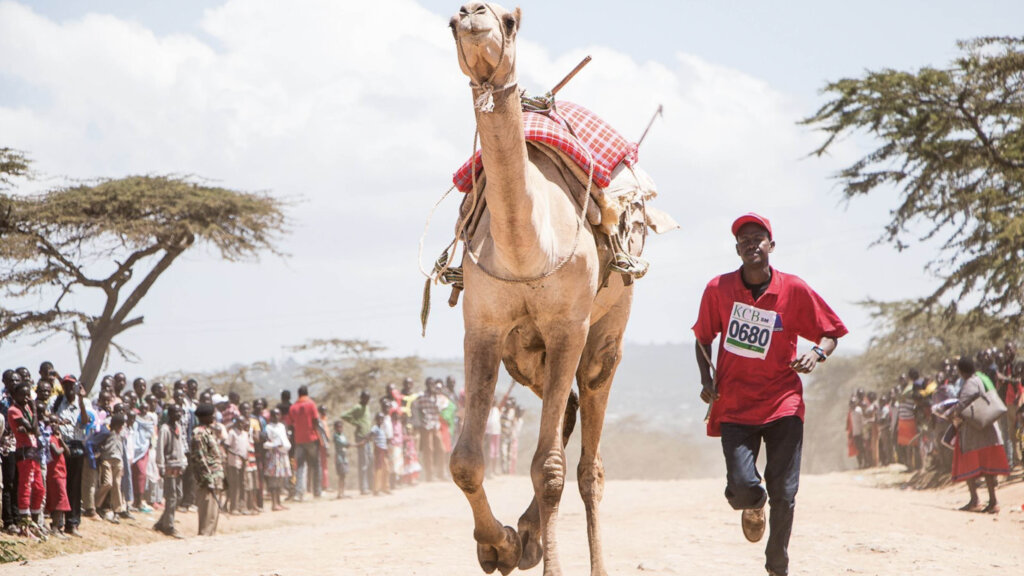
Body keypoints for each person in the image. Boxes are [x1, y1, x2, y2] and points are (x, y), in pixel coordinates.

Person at [693, 213, 847, 576]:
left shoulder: (793, 289)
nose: (751, 244)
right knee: (745, 487)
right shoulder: (718, 289)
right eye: (743, 240)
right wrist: (706, 379)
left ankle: (777, 565)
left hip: (783, 403)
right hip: (733, 404)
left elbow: (830, 332)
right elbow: (702, 338)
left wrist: (816, 353)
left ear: (771, 246)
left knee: (785, 491)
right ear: (737, 250)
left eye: (757, 238)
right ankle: (752, 503)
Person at [951, 356, 1010, 513]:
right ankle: (992, 501)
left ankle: (975, 500)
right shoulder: (982, 378)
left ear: (961, 370)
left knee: (970, 463)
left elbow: (962, 405)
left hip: (975, 432)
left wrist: (953, 414)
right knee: (988, 468)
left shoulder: (970, 383)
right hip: (989, 428)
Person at [8, 382, 46, 537]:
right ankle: (25, 524)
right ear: (14, 395)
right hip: (24, 452)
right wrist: (34, 413)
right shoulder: (14, 410)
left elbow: (35, 430)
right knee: (26, 486)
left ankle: (35, 522)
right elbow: (30, 427)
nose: (26, 398)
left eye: (27, 395)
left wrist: (33, 412)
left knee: (39, 488)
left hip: (34, 450)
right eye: (22, 395)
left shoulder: (28, 409)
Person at [189, 403, 223, 536]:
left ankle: (210, 538)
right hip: (207, 479)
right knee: (207, 512)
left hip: (216, 476)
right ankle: (204, 539)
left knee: (214, 513)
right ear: (206, 416)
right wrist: (207, 478)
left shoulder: (209, 432)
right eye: (212, 414)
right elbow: (199, 458)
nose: (214, 417)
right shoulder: (199, 434)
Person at [153, 404, 186, 538]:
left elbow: (182, 446)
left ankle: (162, 522)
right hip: (169, 466)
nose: (178, 414)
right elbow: (160, 448)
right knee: (171, 496)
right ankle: (169, 526)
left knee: (179, 495)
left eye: (180, 412)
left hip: (178, 465)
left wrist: (184, 462)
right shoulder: (165, 429)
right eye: (176, 412)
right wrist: (160, 466)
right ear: (170, 414)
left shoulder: (178, 428)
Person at [93, 412, 128, 523]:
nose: (121, 427)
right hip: (107, 460)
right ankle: (96, 505)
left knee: (117, 485)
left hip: (118, 461)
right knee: (108, 483)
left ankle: (117, 511)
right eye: (119, 425)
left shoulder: (122, 434)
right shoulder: (107, 432)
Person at [288, 385, 321, 501]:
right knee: (316, 465)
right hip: (311, 438)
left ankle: (298, 493)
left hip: (299, 440)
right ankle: (317, 491)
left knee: (300, 466)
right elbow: (316, 420)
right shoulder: (311, 404)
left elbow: (290, 424)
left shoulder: (293, 407)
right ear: (307, 393)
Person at [411, 380, 445, 482]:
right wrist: (418, 421)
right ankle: (429, 475)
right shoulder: (422, 396)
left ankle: (441, 472)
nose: (431, 386)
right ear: (427, 385)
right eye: (430, 384)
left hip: (435, 425)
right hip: (426, 426)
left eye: (433, 384)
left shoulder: (438, 397)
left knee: (441, 449)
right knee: (429, 450)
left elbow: (440, 409)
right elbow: (414, 407)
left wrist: (435, 397)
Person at [341, 390, 373, 495]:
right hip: (360, 437)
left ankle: (370, 485)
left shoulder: (367, 407)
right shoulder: (358, 407)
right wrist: (356, 423)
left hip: (368, 437)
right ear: (362, 398)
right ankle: (363, 488)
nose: (367, 400)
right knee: (363, 463)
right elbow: (344, 415)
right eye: (365, 398)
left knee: (369, 461)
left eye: (368, 399)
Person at [45, 424, 71, 539]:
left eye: (57, 424)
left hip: (62, 473)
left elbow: (68, 452)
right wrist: (61, 446)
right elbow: (56, 451)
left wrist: (62, 441)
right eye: (53, 423)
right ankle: (55, 527)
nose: (56, 426)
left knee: (61, 500)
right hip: (55, 473)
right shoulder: (50, 438)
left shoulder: (58, 439)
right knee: (60, 500)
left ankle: (58, 527)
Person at [263, 408, 291, 511]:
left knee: (280, 480)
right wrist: (275, 445)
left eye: (278, 415)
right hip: (274, 455)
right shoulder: (268, 427)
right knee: (273, 480)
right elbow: (265, 443)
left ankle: (279, 502)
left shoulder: (282, 426)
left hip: (283, 454)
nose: (276, 417)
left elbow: (285, 439)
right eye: (274, 415)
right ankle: (274, 503)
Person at [369, 412, 390, 495]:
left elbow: (384, 441)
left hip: (384, 450)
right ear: (376, 419)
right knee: (378, 469)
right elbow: (370, 435)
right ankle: (376, 489)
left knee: (387, 469)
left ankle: (385, 487)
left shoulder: (382, 429)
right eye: (379, 419)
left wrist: (386, 449)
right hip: (378, 450)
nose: (380, 420)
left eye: (382, 419)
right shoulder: (375, 428)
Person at [332, 420, 350, 499]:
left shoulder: (343, 435)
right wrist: (347, 444)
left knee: (344, 475)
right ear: (335, 428)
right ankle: (339, 493)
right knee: (341, 476)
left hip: (344, 458)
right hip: (339, 458)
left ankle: (343, 492)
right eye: (338, 427)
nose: (340, 428)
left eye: (341, 427)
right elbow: (342, 443)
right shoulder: (336, 436)